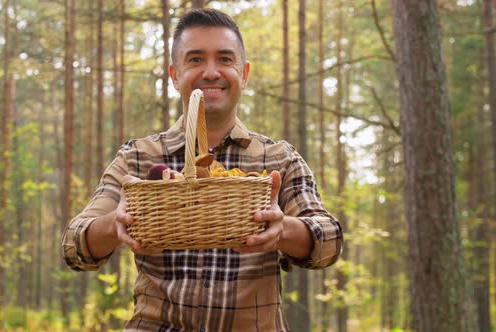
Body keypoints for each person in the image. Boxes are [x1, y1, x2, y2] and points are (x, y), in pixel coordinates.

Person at [62, 8, 343, 331]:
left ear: (244, 73)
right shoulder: (138, 158)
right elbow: (74, 248)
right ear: (174, 74)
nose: (211, 72)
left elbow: (330, 244)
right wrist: (114, 224)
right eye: (195, 60)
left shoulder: (277, 160)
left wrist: (284, 230)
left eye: (225, 59)